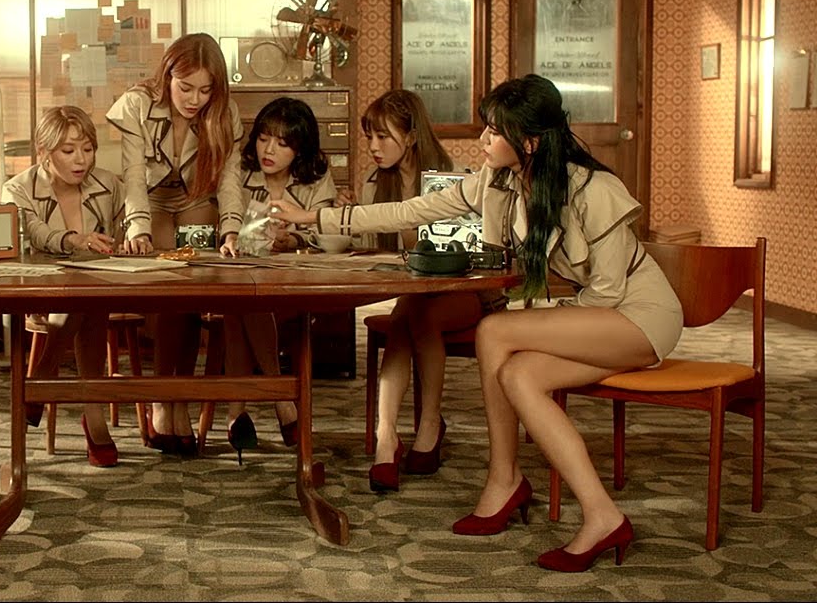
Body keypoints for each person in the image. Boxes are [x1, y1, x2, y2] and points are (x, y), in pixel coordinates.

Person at [270, 74, 682, 572]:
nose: (483, 139)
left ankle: (503, 478)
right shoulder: (499, 180)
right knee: (518, 375)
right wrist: (315, 219)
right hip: (596, 318)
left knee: (495, 330)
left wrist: (539, 323)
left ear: (529, 142)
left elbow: (608, 295)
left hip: (638, 317)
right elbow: (413, 209)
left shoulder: (595, 189)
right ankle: (601, 515)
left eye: (495, 131)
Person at [336, 89, 503, 493]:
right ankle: (387, 434)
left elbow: (475, 247)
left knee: (417, 315)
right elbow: (378, 251)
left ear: (411, 137)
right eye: (370, 137)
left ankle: (426, 423)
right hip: (414, 290)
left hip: (465, 292)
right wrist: (349, 215)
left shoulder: (455, 178)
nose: (373, 147)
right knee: (408, 315)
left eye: (383, 137)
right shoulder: (376, 183)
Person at [105, 32, 243, 454]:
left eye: (205, 90)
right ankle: (163, 400)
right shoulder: (137, 104)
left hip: (196, 200)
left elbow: (230, 178)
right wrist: (137, 228)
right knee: (168, 284)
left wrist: (231, 227)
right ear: (167, 76)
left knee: (192, 289)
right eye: (185, 88)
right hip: (150, 202)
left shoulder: (224, 111)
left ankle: (178, 398)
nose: (195, 99)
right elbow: (132, 175)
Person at [1, 105, 125, 467]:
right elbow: (35, 232)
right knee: (85, 299)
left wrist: (132, 238)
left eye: (88, 149)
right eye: (69, 151)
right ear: (44, 152)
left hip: (101, 287)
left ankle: (41, 377)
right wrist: (74, 240)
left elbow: (127, 225)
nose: (81, 160)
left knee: (90, 297)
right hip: (41, 289)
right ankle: (94, 417)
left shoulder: (109, 184)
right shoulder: (18, 188)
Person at [215, 97, 335, 460]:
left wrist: (293, 238)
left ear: (300, 149)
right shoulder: (239, 167)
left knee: (241, 306)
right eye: (264, 138)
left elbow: (327, 228)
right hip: (242, 277)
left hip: (293, 282)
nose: (268, 150)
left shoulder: (316, 175)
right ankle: (281, 398)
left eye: (282, 143)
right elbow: (228, 207)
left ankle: (236, 413)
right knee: (241, 301)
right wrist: (232, 235)